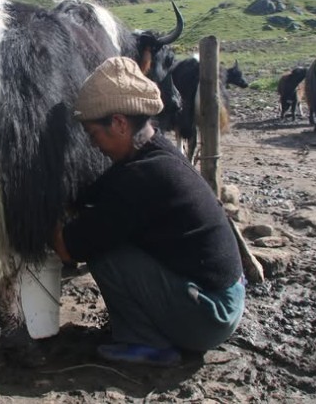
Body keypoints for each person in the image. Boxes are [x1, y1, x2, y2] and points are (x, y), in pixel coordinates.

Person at [52, 56, 245, 367]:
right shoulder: (155, 153)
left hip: (211, 316)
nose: (93, 145)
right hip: (223, 298)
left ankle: (149, 343)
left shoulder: (142, 177)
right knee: (105, 233)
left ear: (118, 123)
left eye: (93, 135)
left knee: (104, 250)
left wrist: (37, 216)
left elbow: (68, 248)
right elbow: (94, 193)